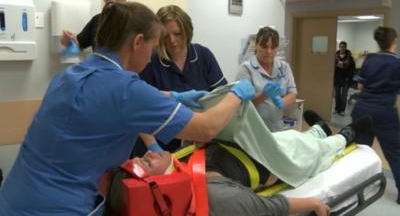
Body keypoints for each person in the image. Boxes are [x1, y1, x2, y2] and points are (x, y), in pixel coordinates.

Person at [0, 2, 256, 216]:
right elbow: (207, 128)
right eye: (154, 46)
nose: (152, 56)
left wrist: (175, 96)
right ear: (138, 42)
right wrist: (238, 92)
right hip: (57, 209)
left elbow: (107, 100)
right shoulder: (126, 89)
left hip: (12, 198)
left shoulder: (72, 75)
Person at [105, 110, 373, 216]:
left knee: (293, 135)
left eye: (143, 155)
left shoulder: (179, 164)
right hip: (277, 164)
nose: (150, 153)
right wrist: (314, 202)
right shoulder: (212, 196)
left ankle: (319, 127)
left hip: (257, 146)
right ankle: (346, 135)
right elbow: (271, 207)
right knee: (317, 148)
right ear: (161, 189)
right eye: (147, 162)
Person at [139, 5, 227, 152]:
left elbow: (222, 97)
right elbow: (139, 107)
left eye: (178, 34)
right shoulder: (151, 61)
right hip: (161, 145)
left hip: (200, 143)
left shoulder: (203, 56)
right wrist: (152, 146)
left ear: (188, 31)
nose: (172, 41)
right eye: (166, 36)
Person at [351, 26, 400, 204]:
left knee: (360, 151)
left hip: (363, 111)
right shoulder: (397, 63)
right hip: (385, 112)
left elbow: (360, 86)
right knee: (395, 153)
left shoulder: (370, 59)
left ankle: (354, 190)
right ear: (394, 42)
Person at [236, 26, 297, 132]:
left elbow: (293, 94)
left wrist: (282, 101)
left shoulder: (284, 67)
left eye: (273, 47)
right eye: (264, 47)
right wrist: (264, 95)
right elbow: (242, 103)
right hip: (252, 129)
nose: (269, 52)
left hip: (277, 128)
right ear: (256, 45)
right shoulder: (246, 69)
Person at [59, 0, 130, 50]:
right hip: (100, 66)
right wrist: (69, 40)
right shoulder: (96, 20)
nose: (113, 0)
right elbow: (79, 44)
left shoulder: (136, 19)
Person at [334, 41, 356, 116]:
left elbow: (353, 69)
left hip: (346, 80)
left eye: (343, 47)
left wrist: (349, 77)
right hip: (337, 79)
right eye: (340, 47)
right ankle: (337, 109)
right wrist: (336, 65)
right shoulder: (335, 57)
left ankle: (342, 110)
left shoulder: (350, 57)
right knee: (337, 95)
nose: (341, 48)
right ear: (339, 47)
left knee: (344, 96)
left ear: (345, 48)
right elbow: (331, 68)